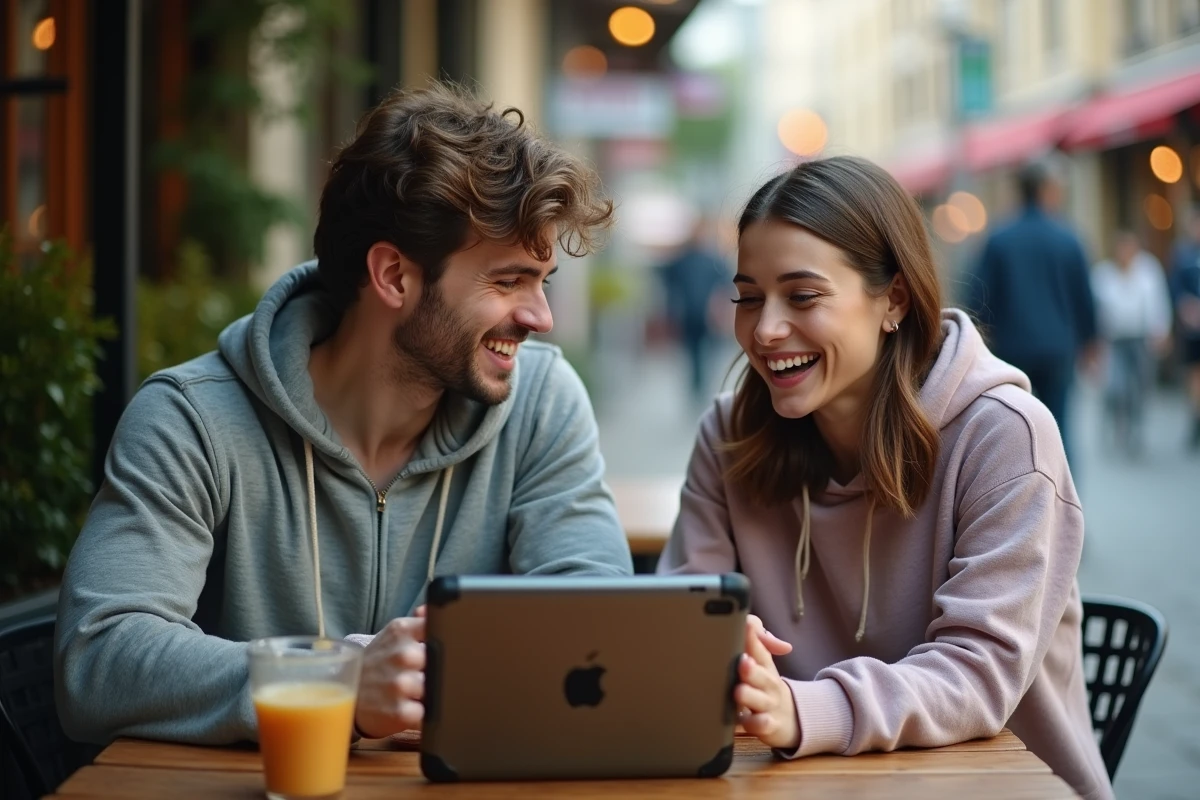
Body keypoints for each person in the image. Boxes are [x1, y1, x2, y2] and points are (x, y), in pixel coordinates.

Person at [55, 83, 634, 746]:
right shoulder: (192, 420)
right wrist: (335, 680)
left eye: (542, 281)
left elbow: (593, 615)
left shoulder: (542, 403)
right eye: (507, 282)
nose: (541, 317)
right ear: (392, 276)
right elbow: (98, 659)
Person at [659, 157, 1113, 800]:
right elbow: (680, 618)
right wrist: (719, 650)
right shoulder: (729, 435)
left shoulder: (1005, 435)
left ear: (892, 299)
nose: (764, 330)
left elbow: (977, 675)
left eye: (804, 295)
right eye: (748, 297)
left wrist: (805, 709)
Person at [964, 156, 1097, 467]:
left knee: (1012, 428)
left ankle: (1017, 502)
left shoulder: (998, 238)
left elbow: (977, 297)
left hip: (1010, 349)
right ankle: (1061, 508)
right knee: (1060, 429)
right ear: (1047, 190)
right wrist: (1091, 340)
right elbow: (1083, 296)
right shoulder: (1068, 238)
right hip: (1058, 348)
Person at [1091, 231, 1172, 455]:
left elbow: (1158, 303)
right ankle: (1117, 425)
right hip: (1115, 339)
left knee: (1140, 387)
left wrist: (1161, 331)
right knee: (1116, 387)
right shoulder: (1103, 275)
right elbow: (1097, 310)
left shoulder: (1148, 271)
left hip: (1140, 338)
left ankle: (1136, 430)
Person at [656, 218, 732, 404]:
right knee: (692, 352)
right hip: (688, 314)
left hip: (708, 316)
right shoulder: (683, 260)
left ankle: (702, 384)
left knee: (709, 352)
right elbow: (668, 284)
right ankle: (696, 385)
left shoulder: (713, 260)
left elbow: (724, 287)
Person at [1170, 211, 1200, 450]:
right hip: (1193, 326)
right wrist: (1185, 307)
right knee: (1194, 375)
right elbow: (1175, 287)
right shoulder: (1184, 255)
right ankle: (1196, 420)